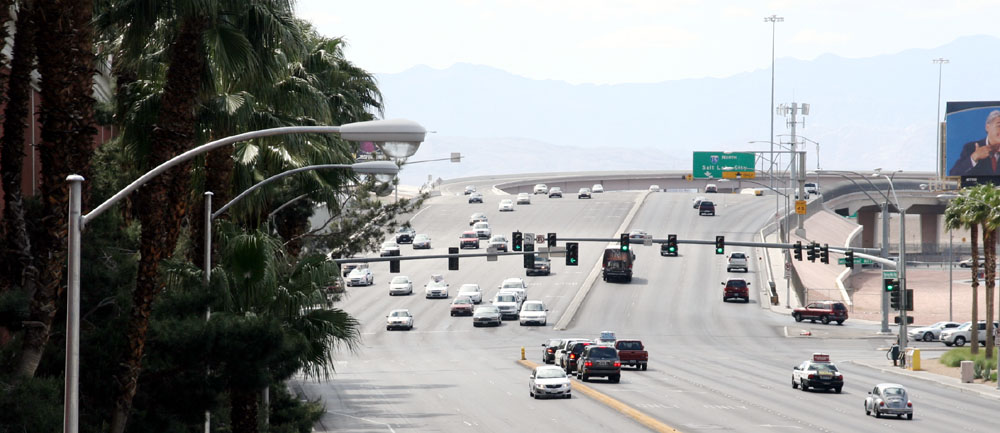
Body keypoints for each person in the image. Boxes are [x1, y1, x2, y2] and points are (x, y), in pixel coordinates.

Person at [949, 110, 1000, 176]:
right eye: (999, 125)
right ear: (987, 127)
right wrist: (974, 157)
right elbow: (953, 174)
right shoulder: (971, 148)